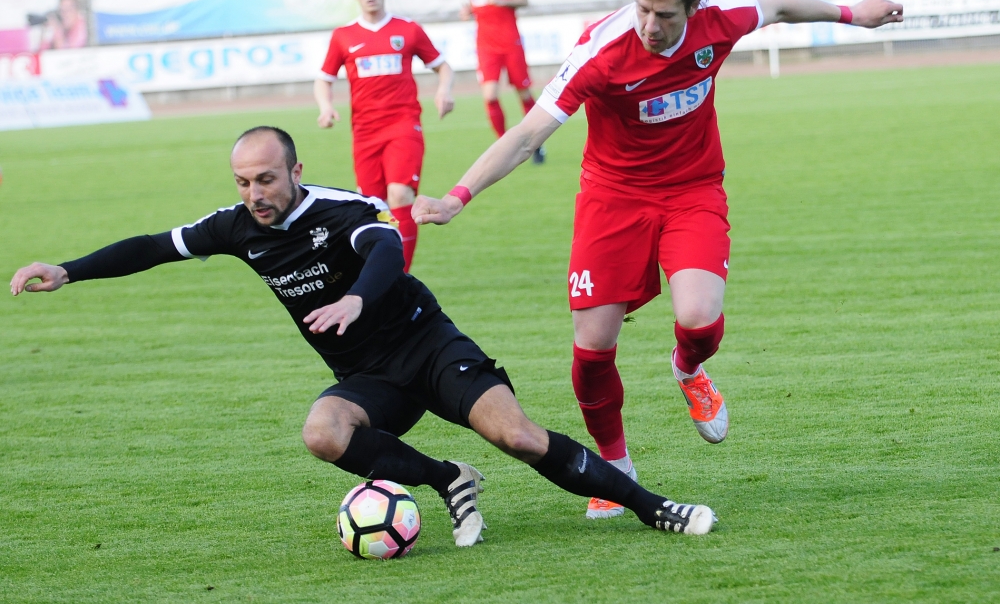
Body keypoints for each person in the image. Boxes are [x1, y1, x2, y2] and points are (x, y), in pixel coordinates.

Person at [9, 126, 718, 545]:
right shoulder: (234, 226)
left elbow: (387, 250)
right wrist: (68, 270)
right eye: (242, 181)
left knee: (521, 437)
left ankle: (654, 507)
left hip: (426, 343)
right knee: (323, 430)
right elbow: (154, 246)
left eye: (265, 178)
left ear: (295, 171)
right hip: (369, 377)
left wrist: (355, 297)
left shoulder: (341, 206)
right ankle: (450, 479)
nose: (254, 194)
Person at [414, 0, 904, 519]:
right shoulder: (602, 51)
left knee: (699, 319)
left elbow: (779, 5)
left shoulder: (723, 18)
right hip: (612, 199)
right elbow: (527, 136)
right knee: (593, 347)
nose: (648, 22)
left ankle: (688, 368)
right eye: (642, 6)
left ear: (693, 5)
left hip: (692, 191)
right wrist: (457, 196)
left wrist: (853, 14)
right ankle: (616, 468)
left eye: (663, 13)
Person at [314, 0, 454, 272]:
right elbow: (324, 78)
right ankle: (381, 270)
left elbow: (443, 66)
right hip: (364, 133)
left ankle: (399, 276)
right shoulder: (343, 36)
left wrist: (445, 90)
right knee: (372, 206)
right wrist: (326, 106)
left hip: (404, 125)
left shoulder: (408, 29)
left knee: (399, 193)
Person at [461, 0, 545, 163]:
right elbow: (477, 5)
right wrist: (468, 11)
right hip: (485, 44)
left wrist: (501, 0)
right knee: (489, 95)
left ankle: (536, 142)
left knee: (524, 92)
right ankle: (502, 145)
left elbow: (524, 0)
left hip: (510, 41)